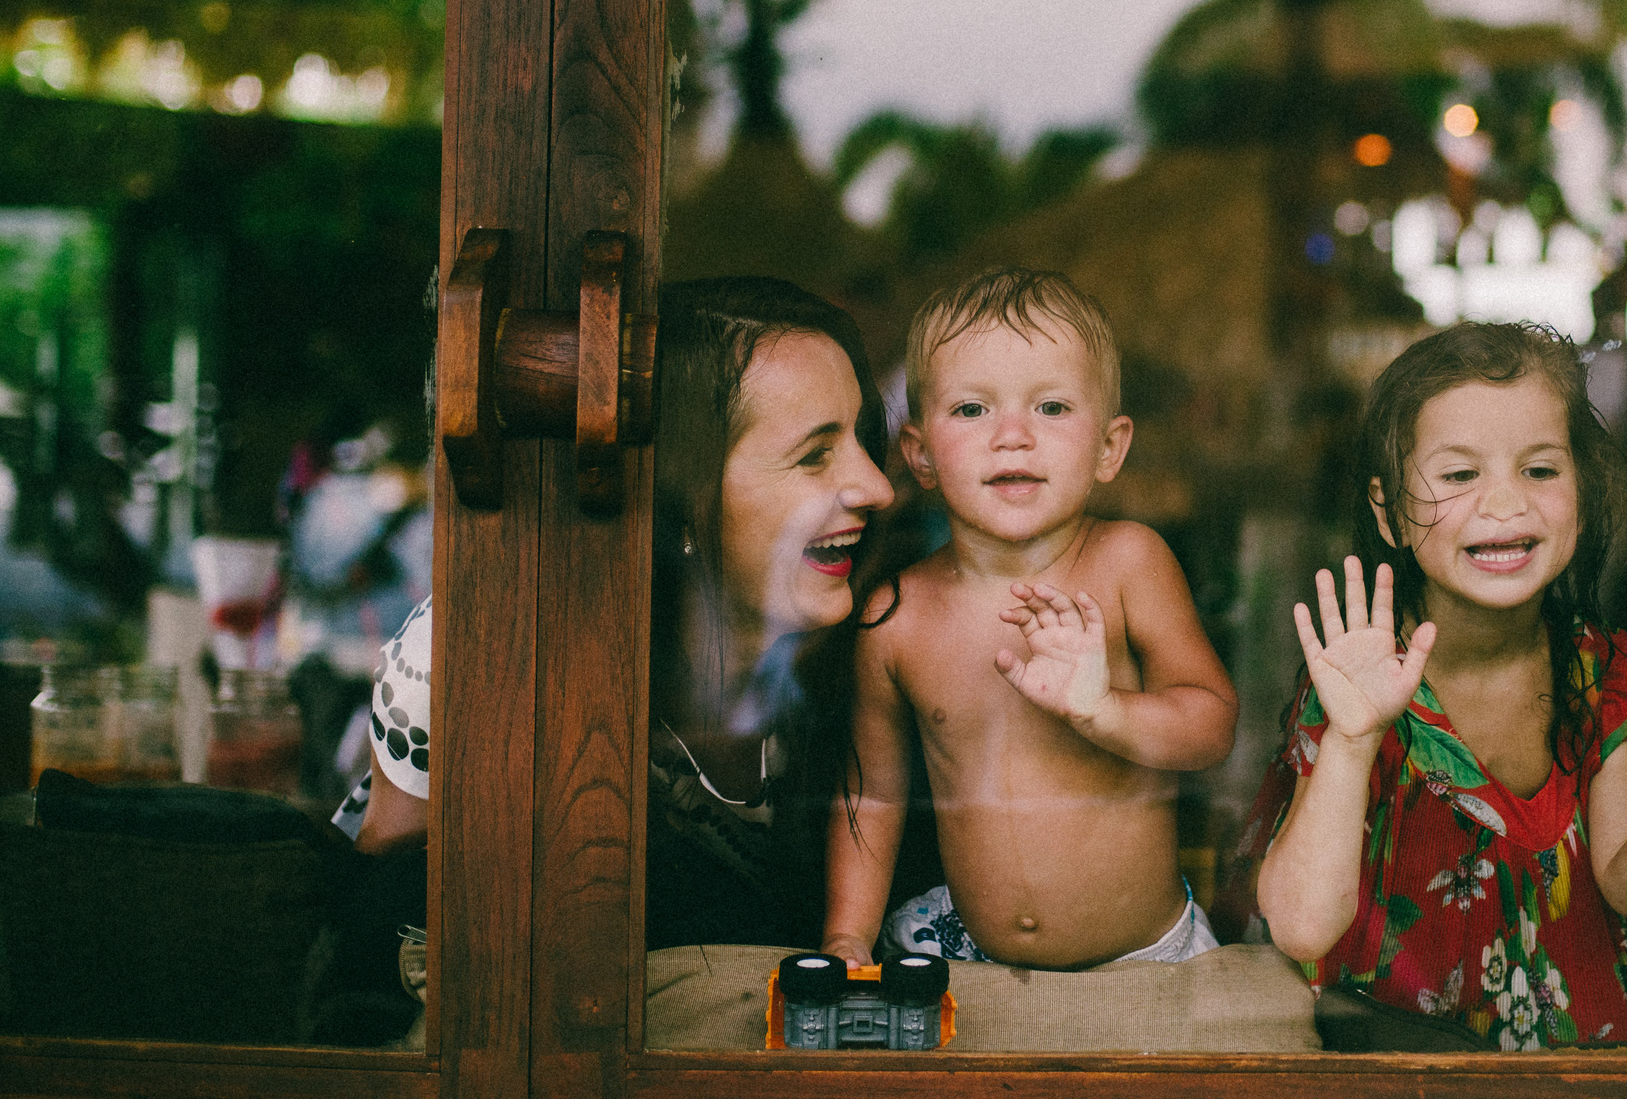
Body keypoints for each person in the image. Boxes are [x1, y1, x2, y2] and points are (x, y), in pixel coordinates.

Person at [1250, 321, 1627, 1048]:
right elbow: (1301, 924)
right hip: (1407, 1067)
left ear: (1583, 494)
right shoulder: (1357, 679)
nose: (1505, 503)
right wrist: (1351, 737)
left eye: (1540, 469)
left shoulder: (1593, 673)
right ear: (1388, 511)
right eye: (1461, 474)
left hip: (1580, 1064)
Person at [332, 277, 898, 953]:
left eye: (863, 440)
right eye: (816, 454)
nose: (877, 487)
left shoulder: (885, 651)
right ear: (685, 496)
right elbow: (384, 937)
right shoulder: (472, 656)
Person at [823, 268, 1238, 970]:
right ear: (919, 455)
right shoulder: (897, 616)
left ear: (1109, 447)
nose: (1012, 436)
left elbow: (1213, 727)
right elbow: (872, 794)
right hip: (968, 950)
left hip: (1145, 960)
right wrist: (847, 936)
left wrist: (1105, 712)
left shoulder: (1129, 563)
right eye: (972, 410)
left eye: (1050, 407)